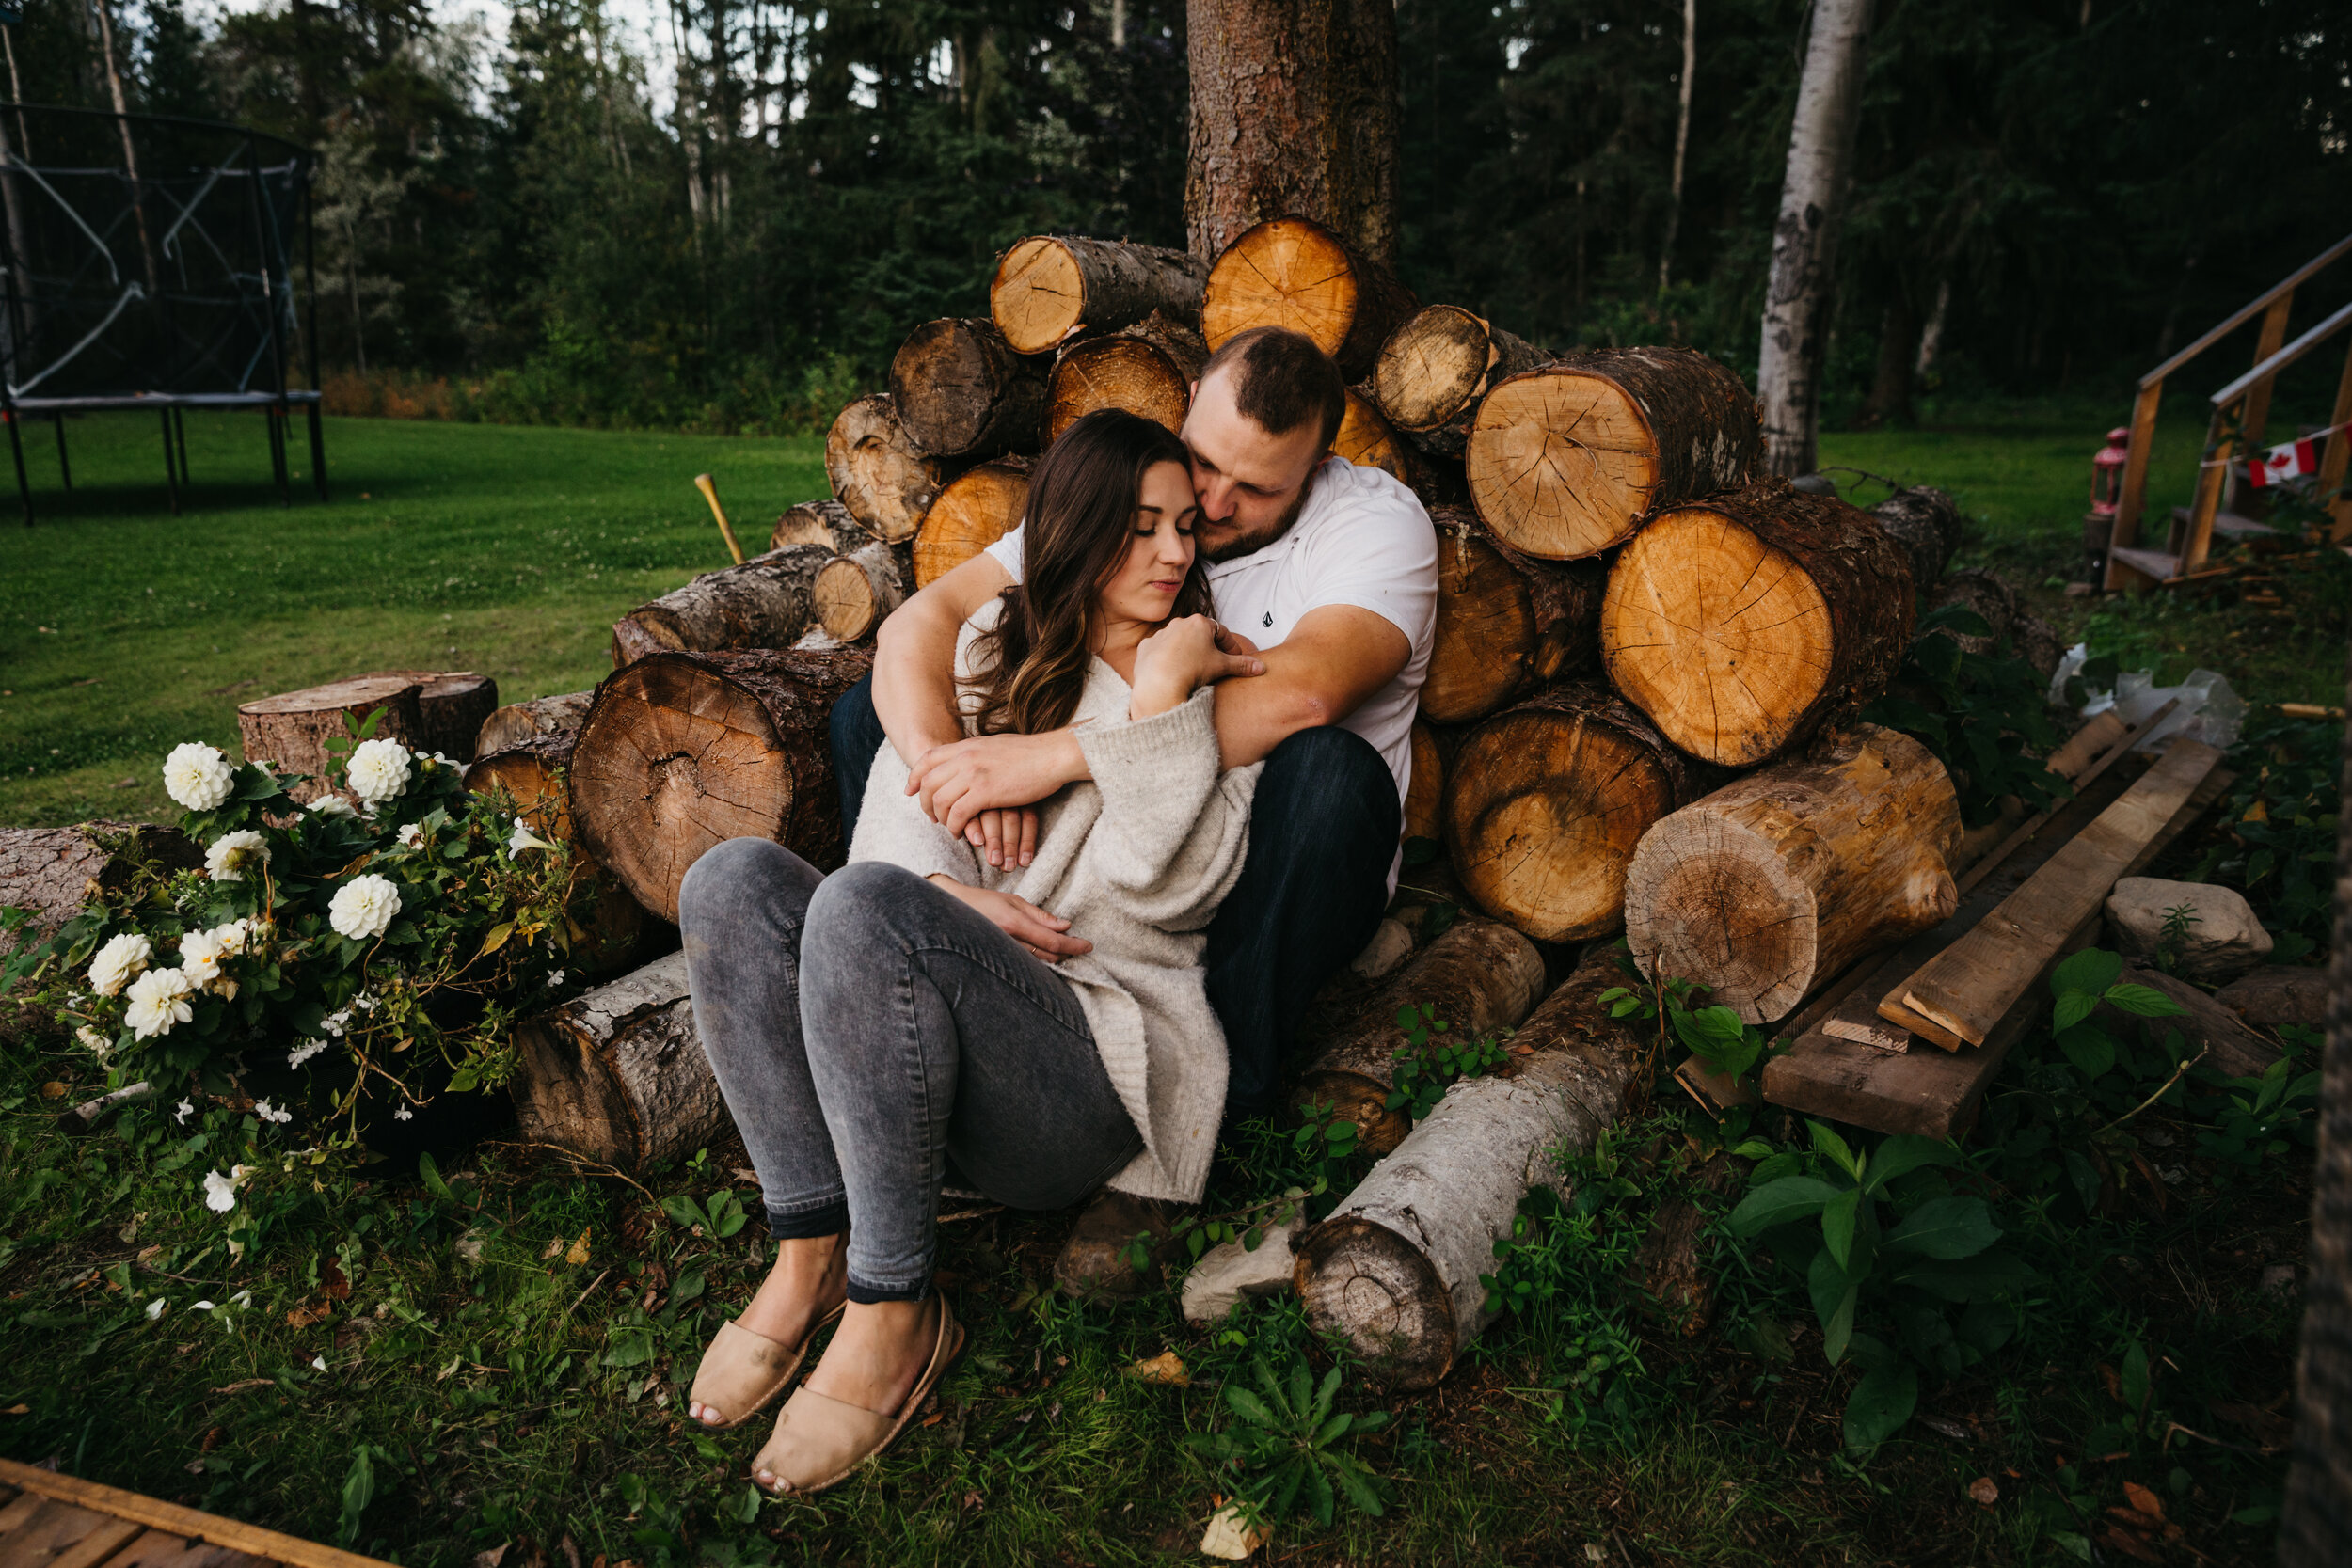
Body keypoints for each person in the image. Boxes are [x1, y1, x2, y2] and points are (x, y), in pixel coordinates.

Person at [676, 410, 1267, 1495]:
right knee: (734, 879)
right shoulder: (997, 640)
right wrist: (948, 893)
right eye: (1141, 527)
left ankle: (896, 1306)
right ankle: (809, 1249)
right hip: (914, 1059)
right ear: (1076, 529)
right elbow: (909, 815)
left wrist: (1155, 701)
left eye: (1186, 526)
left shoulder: (1215, 687)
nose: (1176, 553)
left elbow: (1159, 889)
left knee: (868, 906)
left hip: (1082, 1078)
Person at [832, 325, 1439, 1296]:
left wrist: (1043, 757)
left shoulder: (1372, 523)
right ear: (1188, 402)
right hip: (1100, 833)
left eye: (1257, 489)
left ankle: (1195, 1130)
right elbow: (923, 621)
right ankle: (960, 959)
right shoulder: (1140, 493)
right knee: (874, 708)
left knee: (1329, 768)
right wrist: (954, 771)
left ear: (1317, 467)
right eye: (1204, 463)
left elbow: (1303, 695)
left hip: (1268, 850)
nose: (1211, 504)